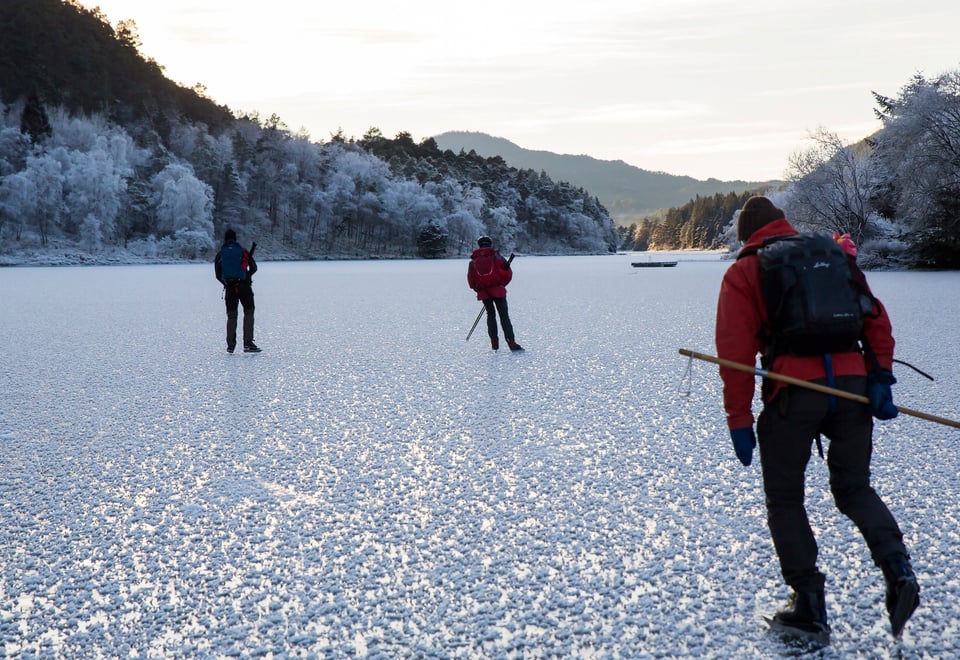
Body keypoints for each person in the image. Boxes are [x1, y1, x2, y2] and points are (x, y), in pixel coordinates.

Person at [715, 196, 919, 641]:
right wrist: (880, 377)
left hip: (793, 394)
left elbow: (735, 355)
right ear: (783, 224)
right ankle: (898, 569)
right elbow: (876, 320)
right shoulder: (831, 255)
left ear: (746, 234)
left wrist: (739, 418)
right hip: (852, 389)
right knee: (855, 488)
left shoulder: (746, 270)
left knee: (785, 499)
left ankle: (808, 605)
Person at [467, 236, 523, 351]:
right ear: (490, 244)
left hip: (484, 293)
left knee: (490, 315)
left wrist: (480, 289)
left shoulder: (473, 261)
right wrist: (500, 285)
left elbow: (471, 281)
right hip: (498, 291)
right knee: (504, 316)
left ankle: (494, 343)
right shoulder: (497, 257)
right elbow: (508, 275)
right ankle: (511, 342)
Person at [214, 228, 261, 353]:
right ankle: (248, 343)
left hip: (230, 288)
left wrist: (226, 283)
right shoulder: (242, 251)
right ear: (235, 238)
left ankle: (230, 345)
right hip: (244, 287)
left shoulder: (221, 254)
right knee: (249, 312)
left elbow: (217, 274)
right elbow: (254, 267)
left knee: (232, 316)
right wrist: (247, 276)